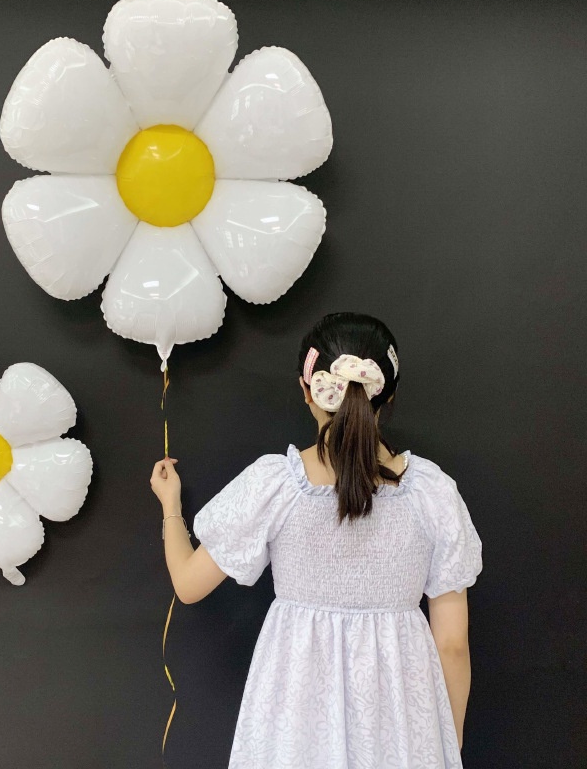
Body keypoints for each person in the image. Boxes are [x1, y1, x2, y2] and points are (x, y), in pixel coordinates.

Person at [150, 312, 483, 769]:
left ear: (307, 390)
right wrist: (448, 742)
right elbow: (452, 644)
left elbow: (189, 585)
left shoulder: (276, 485)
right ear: (388, 395)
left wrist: (171, 507)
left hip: (295, 716)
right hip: (401, 721)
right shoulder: (433, 494)